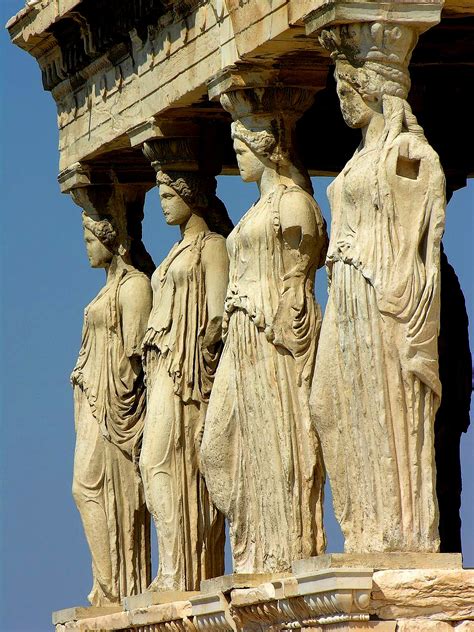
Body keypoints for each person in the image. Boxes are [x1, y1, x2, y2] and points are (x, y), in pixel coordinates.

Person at [311, 23, 445, 552]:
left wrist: (404, 291)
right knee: (327, 403)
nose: (343, 100)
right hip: (345, 293)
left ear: (375, 89)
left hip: (378, 294)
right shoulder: (356, 161)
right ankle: (366, 528)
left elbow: (428, 230)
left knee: (382, 406)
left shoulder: (407, 152)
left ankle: (395, 533)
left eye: (349, 89)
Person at [201, 88, 328, 573]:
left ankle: (283, 551)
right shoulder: (256, 212)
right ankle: (254, 546)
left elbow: (300, 280)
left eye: (243, 143)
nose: (237, 151)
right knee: (218, 447)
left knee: (278, 440)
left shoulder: (293, 205)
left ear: (267, 144)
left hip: (272, 337)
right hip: (241, 336)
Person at [140, 170, 232, 591]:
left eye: (168, 193)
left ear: (189, 194)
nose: (162, 203)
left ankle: (180, 572)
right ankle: (173, 569)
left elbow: (217, 314)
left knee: (159, 462)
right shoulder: (174, 252)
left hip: (187, 374)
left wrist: (204, 357)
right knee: (157, 466)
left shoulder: (211, 247)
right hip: (162, 367)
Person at [71, 203, 153, 605]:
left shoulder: (134, 286)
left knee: (87, 487)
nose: (86, 248)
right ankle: (107, 586)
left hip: (115, 406)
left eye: (90, 239)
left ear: (111, 240)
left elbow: (138, 356)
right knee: (87, 489)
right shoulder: (107, 289)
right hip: (92, 399)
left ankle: (115, 585)